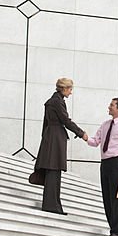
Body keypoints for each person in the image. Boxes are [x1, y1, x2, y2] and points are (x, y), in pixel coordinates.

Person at [35, 77, 89, 215]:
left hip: (50, 137)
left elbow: (45, 123)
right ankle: (52, 206)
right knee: (54, 171)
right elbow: (66, 120)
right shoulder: (57, 102)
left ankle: (52, 204)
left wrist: (44, 139)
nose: (71, 92)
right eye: (70, 89)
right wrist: (81, 133)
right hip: (55, 138)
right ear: (64, 88)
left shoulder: (53, 101)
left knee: (54, 171)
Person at [86, 97, 118, 236]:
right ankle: (112, 230)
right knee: (106, 198)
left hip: (116, 164)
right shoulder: (105, 125)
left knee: (115, 198)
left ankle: (117, 231)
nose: (109, 107)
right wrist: (83, 136)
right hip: (105, 164)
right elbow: (95, 142)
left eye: (112, 105)